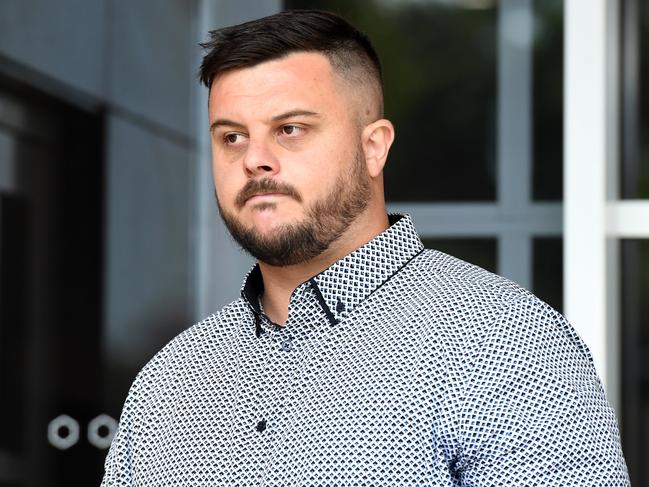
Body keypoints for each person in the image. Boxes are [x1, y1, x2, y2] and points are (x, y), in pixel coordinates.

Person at [101, 10, 629, 486]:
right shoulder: (167, 384)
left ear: (373, 146)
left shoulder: (504, 344)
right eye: (231, 136)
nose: (254, 159)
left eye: (290, 129)